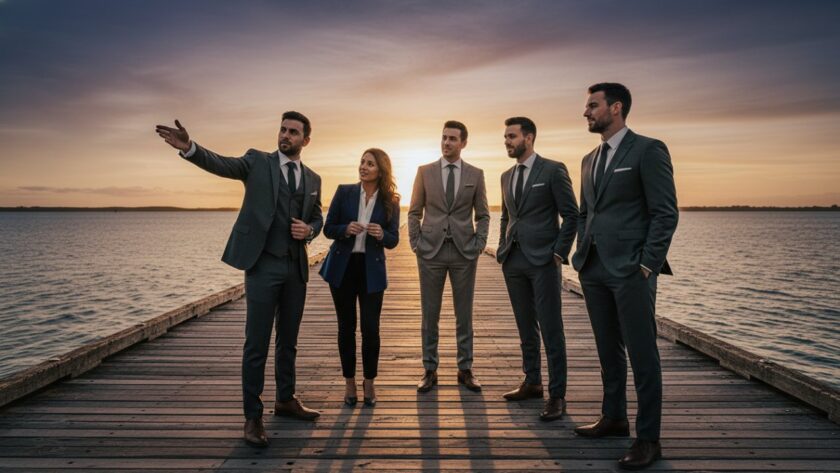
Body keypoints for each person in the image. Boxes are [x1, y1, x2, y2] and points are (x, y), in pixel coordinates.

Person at [155, 112, 323, 448]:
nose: (285, 135)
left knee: (288, 340)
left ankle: (286, 399)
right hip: (262, 265)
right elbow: (222, 164)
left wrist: (311, 230)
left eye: (293, 132)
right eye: (283, 129)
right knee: (256, 344)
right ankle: (253, 416)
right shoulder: (257, 161)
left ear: (306, 140)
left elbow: (317, 215)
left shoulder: (314, 178)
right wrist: (190, 148)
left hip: (296, 268)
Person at [571, 83, 678, 470]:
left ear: (615, 108)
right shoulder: (588, 159)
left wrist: (647, 264)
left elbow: (666, 212)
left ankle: (648, 438)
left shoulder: (648, 150)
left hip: (633, 270)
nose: (586, 112)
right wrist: (582, 250)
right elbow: (586, 211)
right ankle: (614, 417)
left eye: (592, 105)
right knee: (607, 349)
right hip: (594, 267)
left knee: (642, 354)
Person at [497, 116, 578, 421]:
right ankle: (532, 382)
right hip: (513, 259)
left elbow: (572, 215)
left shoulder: (553, 170)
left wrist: (559, 253)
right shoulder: (505, 176)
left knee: (551, 327)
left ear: (528, 138)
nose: (507, 141)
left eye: (512, 136)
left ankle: (557, 395)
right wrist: (502, 247)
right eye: (505, 137)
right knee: (525, 326)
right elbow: (506, 215)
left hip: (544, 260)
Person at [408, 120, 490, 393]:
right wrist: (415, 242)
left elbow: (483, 214)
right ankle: (429, 370)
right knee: (429, 314)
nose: (446, 143)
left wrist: (479, 243)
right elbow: (413, 211)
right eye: (444, 138)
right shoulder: (425, 172)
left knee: (463, 314)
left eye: (453, 139)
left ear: (463, 143)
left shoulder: (476, 174)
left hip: (464, 252)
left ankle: (465, 369)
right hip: (430, 251)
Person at [319, 148, 400, 408]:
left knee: (370, 329)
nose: (363, 167)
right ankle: (349, 383)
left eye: (370, 164)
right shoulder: (344, 192)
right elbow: (328, 228)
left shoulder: (391, 201)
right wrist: (346, 229)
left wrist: (381, 234)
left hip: (371, 271)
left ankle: (369, 383)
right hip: (342, 269)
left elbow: (393, 240)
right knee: (346, 328)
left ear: (381, 170)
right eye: (362, 162)